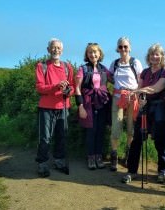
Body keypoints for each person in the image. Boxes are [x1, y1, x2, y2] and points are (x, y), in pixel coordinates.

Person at [122, 43, 165, 183]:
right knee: (137, 139)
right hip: (145, 107)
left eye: (157, 54)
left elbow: (156, 88)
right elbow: (140, 87)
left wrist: (137, 92)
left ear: (161, 57)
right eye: (152, 54)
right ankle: (132, 171)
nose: (154, 57)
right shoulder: (144, 72)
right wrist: (140, 97)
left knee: (160, 141)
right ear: (148, 57)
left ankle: (162, 171)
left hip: (159, 108)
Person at [35, 38, 75, 177]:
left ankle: (58, 161)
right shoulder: (42, 66)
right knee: (45, 137)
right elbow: (39, 88)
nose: (56, 50)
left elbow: (72, 87)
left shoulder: (67, 67)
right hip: (46, 107)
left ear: (62, 50)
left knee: (61, 136)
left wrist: (67, 91)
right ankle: (42, 164)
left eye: (58, 48)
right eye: (53, 47)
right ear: (48, 49)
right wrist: (56, 86)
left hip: (63, 106)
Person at [108, 37, 143, 171]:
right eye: (121, 46)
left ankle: (128, 155)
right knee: (116, 128)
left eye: (125, 46)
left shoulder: (135, 62)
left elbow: (140, 80)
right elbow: (110, 77)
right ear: (117, 48)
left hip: (132, 97)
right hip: (118, 97)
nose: (123, 49)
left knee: (130, 129)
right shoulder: (115, 63)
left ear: (130, 48)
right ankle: (114, 156)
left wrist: (137, 95)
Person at [75, 43, 111, 170]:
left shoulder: (104, 69)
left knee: (100, 130)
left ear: (100, 54)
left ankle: (98, 157)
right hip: (88, 104)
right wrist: (80, 106)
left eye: (95, 52)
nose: (93, 54)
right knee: (91, 131)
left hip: (102, 103)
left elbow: (115, 80)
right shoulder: (83, 69)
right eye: (90, 52)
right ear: (87, 55)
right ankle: (90, 157)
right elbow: (77, 88)